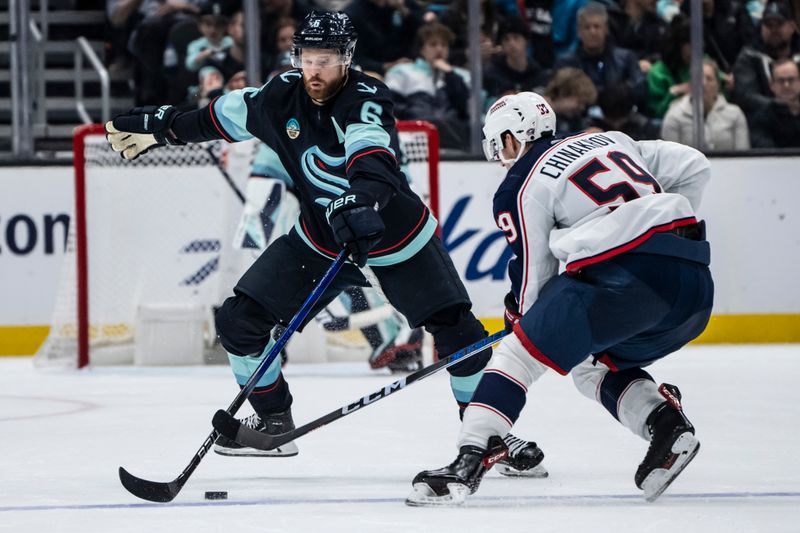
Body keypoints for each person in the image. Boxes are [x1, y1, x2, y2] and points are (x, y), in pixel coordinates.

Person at [105, 12, 546, 476]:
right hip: (318, 239)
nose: (315, 70)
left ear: (348, 59)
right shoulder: (279, 97)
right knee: (237, 322)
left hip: (395, 237)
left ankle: (489, 438)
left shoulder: (368, 95)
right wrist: (165, 127)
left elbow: (371, 156)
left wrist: (361, 203)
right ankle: (273, 420)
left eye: (328, 60)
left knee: (463, 338)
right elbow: (218, 118)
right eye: (308, 59)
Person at [407, 91, 713, 506]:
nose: (499, 156)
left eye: (499, 144)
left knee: (516, 357)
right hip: (692, 282)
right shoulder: (611, 140)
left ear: (513, 138)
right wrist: (662, 230)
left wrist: (522, 322)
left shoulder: (521, 184)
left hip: (625, 280)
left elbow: (535, 273)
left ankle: (470, 458)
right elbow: (695, 165)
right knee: (591, 364)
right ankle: (667, 426)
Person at [384, 22, 471, 149]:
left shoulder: (460, 75)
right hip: (413, 138)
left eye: (444, 45)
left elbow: (465, 108)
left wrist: (450, 75)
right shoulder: (402, 71)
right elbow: (390, 105)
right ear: (422, 49)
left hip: (453, 139)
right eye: (433, 44)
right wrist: (410, 112)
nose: (439, 49)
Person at [554, 2, 647, 107]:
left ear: (606, 29)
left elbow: (640, 89)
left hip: (621, 114)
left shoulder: (626, 58)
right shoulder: (566, 63)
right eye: (587, 27)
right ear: (579, 32)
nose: (592, 32)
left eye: (597, 26)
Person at [661, 59, 750, 150]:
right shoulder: (674, 116)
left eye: (709, 79)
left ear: (718, 85)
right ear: (690, 84)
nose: (703, 83)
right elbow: (670, 159)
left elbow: (743, 157)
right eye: (698, 78)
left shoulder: (735, 114)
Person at [733, 0, 800, 119]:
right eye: (768, 25)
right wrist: (780, 107)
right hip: (764, 123)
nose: (773, 30)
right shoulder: (749, 55)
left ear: (792, 27)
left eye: (779, 24)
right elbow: (746, 96)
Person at [749, 58, 800, 147]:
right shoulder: (760, 119)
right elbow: (766, 152)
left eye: (791, 80)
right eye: (781, 81)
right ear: (772, 85)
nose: (786, 86)